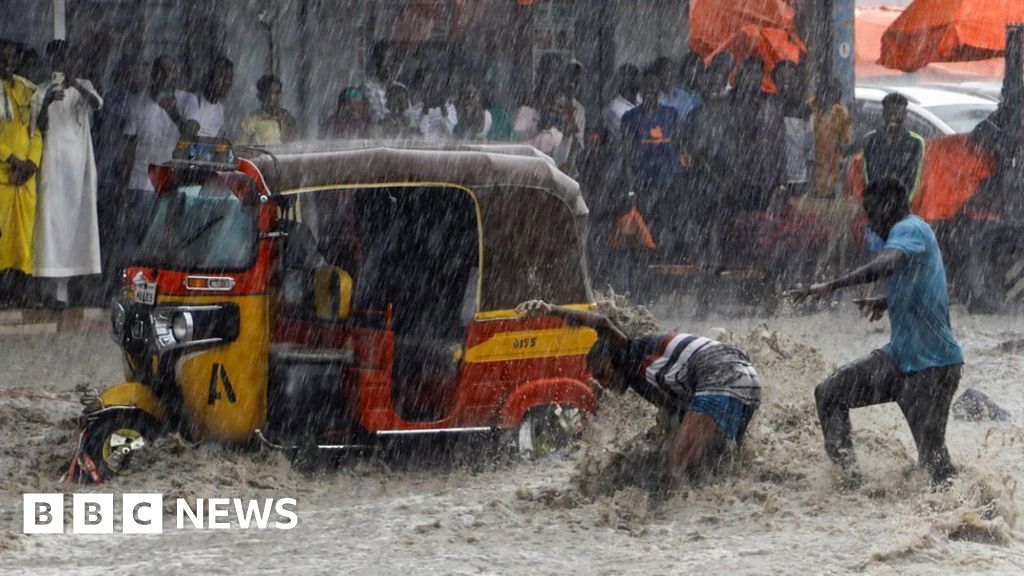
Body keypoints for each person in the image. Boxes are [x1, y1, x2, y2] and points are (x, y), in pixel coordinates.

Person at [791, 177, 964, 489]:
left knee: (933, 461)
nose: (868, 220)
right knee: (829, 393)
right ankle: (852, 484)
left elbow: (888, 263)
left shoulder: (907, 229)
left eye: (870, 212)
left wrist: (832, 285)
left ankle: (978, 517)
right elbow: (933, 286)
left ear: (888, 207)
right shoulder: (914, 233)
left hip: (932, 368)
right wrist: (887, 300)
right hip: (901, 360)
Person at [514, 299, 761, 490]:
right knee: (718, 464)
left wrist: (550, 309)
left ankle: (676, 538)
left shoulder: (632, 351)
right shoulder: (654, 380)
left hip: (719, 374)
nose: (602, 383)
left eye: (603, 373)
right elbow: (678, 413)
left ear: (616, 359)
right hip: (747, 379)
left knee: (677, 469)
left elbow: (601, 323)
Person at [31, 40, 103, 308]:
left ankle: (65, 293)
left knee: (76, 227)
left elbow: (96, 104)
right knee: (50, 225)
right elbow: (38, 128)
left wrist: (77, 85)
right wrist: (47, 101)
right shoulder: (39, 90)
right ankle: (52, 293)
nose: (61, 63)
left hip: (77, 171)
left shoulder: (84, 86)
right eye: (57, 58)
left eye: (66, 57)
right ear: (49, 61)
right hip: (52, 167)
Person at [121, 56, 197, 263]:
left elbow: (190, 135)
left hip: (172, 182)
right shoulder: (137, 102)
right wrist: (124, 186)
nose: (165, 76)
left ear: (176, 74)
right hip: (141, 182)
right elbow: (128, 145)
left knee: (169, 243)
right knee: (138, 242)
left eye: (170, 71)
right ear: (152, 75)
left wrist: (173, 112)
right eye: (161, 72)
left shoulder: (188, 100)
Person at [0, 38, 43, 306]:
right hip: (3, 176)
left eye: (12, 57)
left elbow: (36, 131)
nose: (8, 62)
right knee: (2, 238)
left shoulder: (28, 89)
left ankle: (21, 294)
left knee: (23, 239)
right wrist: (12, 159)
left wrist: (30, 163)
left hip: (24, 178)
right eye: (3, 57)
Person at [621, 67, 680, 248]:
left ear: (659, 88)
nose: (650, 90)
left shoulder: (671, 114)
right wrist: (631, 189)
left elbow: (679, 148)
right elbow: (627, 155)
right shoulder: (630, 117)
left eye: (654, 86)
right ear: (640, 88)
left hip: (668, 182)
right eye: (646, 86)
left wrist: (679, 180)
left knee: (667, 227)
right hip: (643, 183)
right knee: (645, 231)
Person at [852, 92, 925, 199]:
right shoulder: (871, 139)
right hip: (876, 201)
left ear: (905, 115)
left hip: (903, 202)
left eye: (897, 113)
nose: (893, 117)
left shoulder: (915, 142)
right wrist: (876, 200)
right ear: (883, 114)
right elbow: (868, 174)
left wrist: (903, 203)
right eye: (889, 113)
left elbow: (914, 178)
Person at [238, 75, 298, 146]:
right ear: (259, 97)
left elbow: (295, 145)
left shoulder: (288, 118)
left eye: (277, 93)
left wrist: (282, 122)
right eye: (268, 93)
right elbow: (241, 150)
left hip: (284, 157)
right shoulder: (250, 120)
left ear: (281, 95)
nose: (273, 97)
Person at [185, 56, 233, 138]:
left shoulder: (219, 109)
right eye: (221, 76)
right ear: (210, 77)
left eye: (229, 78)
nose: (225, 82)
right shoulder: (195, 101)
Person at [661, 53, 704, 129]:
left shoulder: (700, 95)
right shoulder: (664, 96)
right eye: (690, 69)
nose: (693, 74)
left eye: (697, 70)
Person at [602, 63, 640, 146]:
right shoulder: (615, 107)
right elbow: (630, 135)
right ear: (622, 82)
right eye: (631, 77)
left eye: (636, 76)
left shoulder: (641, 100)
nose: (636, 80)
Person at [361, 41, 398, 123]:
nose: (389, 65)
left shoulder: (400, 88)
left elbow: (411, 116)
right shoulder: (368, 87)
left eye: (391, 59)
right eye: (385, 60)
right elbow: (377, 116)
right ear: (377, 63)